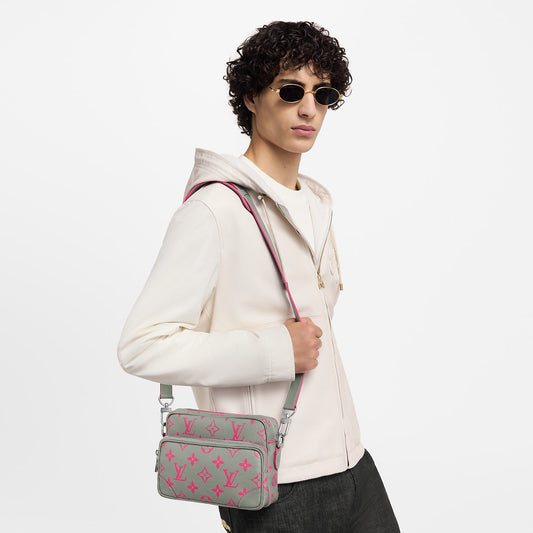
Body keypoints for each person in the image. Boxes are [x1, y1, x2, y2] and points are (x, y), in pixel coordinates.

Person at [117, 20, 400, 532]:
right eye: (291, 91)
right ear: (251, 97)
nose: (309, 109)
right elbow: (142, 346)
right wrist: (274, 351)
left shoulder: (315, 203)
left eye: (323, 94)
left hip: (353, 464)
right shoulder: (214, 211)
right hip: (274, 481)